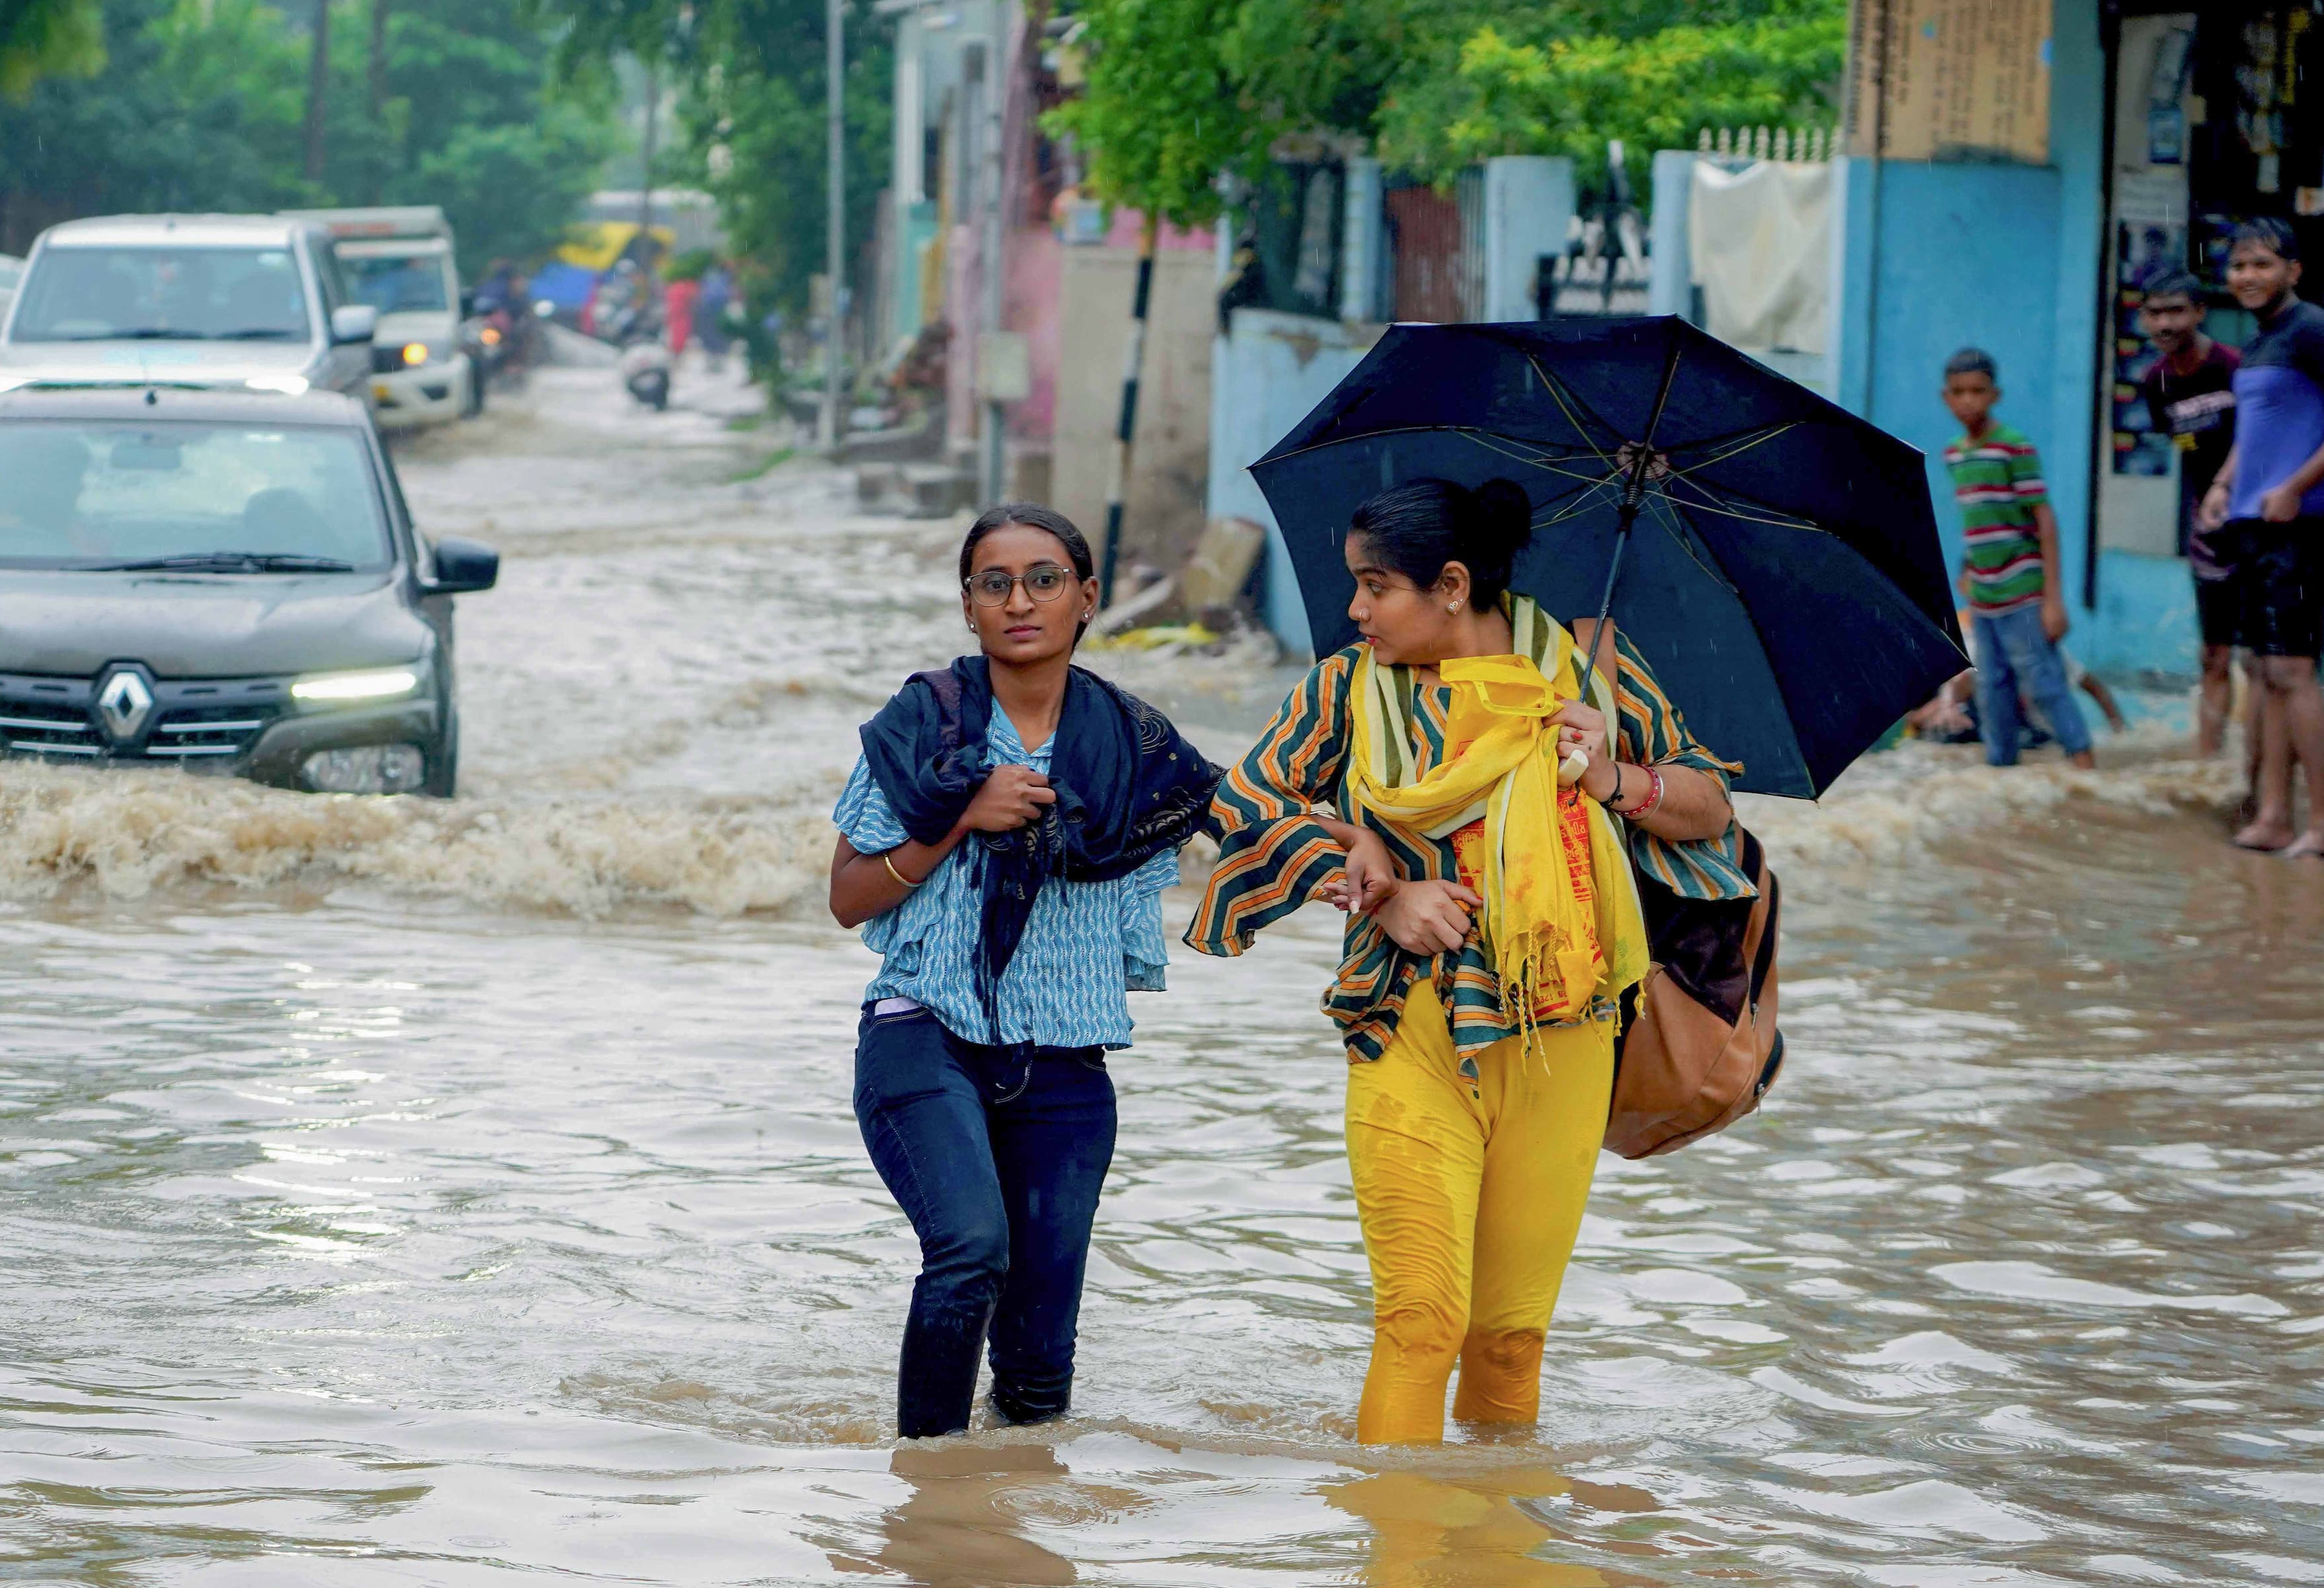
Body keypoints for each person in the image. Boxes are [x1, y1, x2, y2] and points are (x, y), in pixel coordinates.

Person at [1189, 477, 1745, 1442]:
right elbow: (1243, 801)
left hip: (1564, 1031)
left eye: (1375, 586)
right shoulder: (1345, 689)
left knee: (1510, 1339)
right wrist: (1383, 885)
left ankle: (1494, 1572)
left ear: (1452, 584)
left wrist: (1610, 773)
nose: (1355, 610)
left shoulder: (1587, 668)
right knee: (1420, 1321)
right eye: (1355, 587)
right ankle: (1394, 1580)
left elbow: (1709, 808)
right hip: (1408, 1026)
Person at [830, 504, 1221, 1437]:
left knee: (1040, 1365)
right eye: (993, 581)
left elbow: (1238, 815)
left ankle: (1003, 1515)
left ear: (1088, 598)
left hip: (1066, 1068)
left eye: (1044, 578)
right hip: (922, 1035)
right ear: (968, 605)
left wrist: (1352, 859)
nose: (1020, 600)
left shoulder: (1136, 747)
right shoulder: (923, 727)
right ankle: (924, 1484)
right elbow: (849, 896)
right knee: (969, 1249)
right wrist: (960, 814)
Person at [2201, 216, 2324, 862]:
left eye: (2261, 264)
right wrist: (2223, 486)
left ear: (2292, 271)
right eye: (2238, 265)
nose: (2246, 276)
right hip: (2253, 522)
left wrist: (2297, 486)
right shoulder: (2256, 342)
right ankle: (2274, 816)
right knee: (2262, 669)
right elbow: (2255, 433)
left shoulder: (2315, 330)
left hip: (2305, 521)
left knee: (2291, 668)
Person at [1929, 348, 2105, 769]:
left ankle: (2084, 762)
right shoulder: (1955, 455)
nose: (1968, 400)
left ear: (1996, 395)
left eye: (1977, 391)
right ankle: (2000, 768)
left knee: (2043, 682)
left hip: (2023, 591)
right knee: (1992, 688)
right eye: (1959, 392)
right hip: (1983, 596)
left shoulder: (2014, 448)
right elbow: (1977, 522)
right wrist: (1970, 571)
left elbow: (2043, 519)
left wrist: (2054, 599)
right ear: (1946, 398)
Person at [2133, 267, 2245, 760]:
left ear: (2200, 313)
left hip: (2257, 520)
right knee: (2213, 654)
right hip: (2208, 527)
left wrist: (2228, 482)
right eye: (2155, 313)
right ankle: (2209, 765)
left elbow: (2257, 438)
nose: (2165, 323)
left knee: (2269, 660)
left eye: (2176, 311)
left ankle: (2263, 771)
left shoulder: (2233, 367)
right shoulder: (2154, 381)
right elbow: (2181, 441)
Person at [695, 262, 734, 373]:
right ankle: (718, 361)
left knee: (709, 335)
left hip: (707, 310)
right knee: (718, 335)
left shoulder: (708, 277)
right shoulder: (724, 278)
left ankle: (712, 362)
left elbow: (701, 294)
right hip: (718, 310)